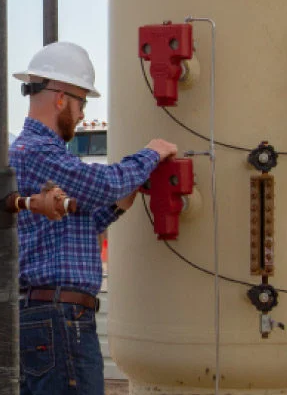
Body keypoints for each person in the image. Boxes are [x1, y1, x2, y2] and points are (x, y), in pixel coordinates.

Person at [9, 42, 177, 395]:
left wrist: (119, 205)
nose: (83, 113)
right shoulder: (38, 151)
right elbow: (102, 184)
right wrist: (152, 154)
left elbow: (76, 223)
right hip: (58, 317)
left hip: (52, 314)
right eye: (82, 102)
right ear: (61, 99)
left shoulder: (35, 153)